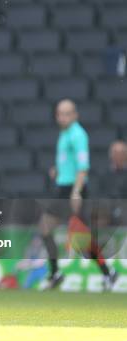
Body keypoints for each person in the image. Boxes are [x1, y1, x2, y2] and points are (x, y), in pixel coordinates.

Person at [39, 99, 117, 291]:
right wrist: (58, 171)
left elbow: (83, 167)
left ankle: (105, 273)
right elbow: (70, 163)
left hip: (73, 190)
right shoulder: (65, 134)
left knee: (72, 236)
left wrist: (76, 191)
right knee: (68, 235)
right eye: (60, 113)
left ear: (75, 115)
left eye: (67, 113)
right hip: (65, 187)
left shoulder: (77, 135)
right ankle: (105, 273)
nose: (63, 117)